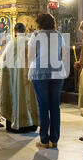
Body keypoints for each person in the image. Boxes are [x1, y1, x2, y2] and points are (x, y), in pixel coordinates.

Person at [28, 13, 68, 149]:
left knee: (43, 107)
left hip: (40, 74)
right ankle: (54, 139)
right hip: (57, 73)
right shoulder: (59, 36)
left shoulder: (36, 35)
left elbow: (31, 55)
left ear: (39, 23)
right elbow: (62, 54)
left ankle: (44, 140)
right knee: (55, 106)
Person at [0, 23, 39, 134]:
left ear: (15, 31)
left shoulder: (12, 42)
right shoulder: (30, 42)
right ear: (25, 31)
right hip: (30, 76)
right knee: (30, 98)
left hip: (15, 78)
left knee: (16, 97)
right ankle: (31, 124)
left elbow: (4, 60)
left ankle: (16, 123)